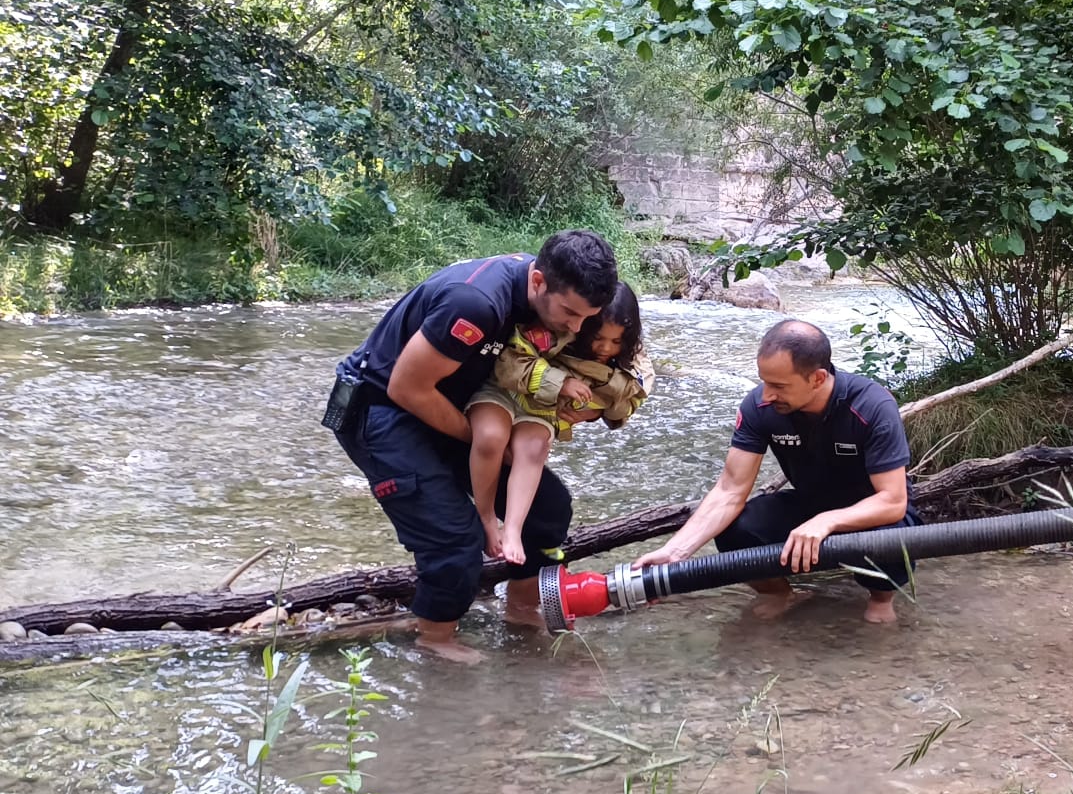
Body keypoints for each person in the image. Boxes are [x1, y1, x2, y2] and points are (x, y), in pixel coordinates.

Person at [323, 231, 620, 663]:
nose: (576, 327)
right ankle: (436, 641)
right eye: (570, 314)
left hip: (446, 404)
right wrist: (484, 443)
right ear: (537, 282)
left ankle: (520, 608)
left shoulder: (547, 290)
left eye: (585, 317)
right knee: (455, 541)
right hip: (380, 409)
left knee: (547, 507)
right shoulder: (476, 305)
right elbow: (407, 387)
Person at [633, 319, 917, 624]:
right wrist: (675, 552)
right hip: (809, 504)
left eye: (779, 386)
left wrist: (827, 522)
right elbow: (729, 491)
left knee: (890, 537)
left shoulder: (872, 406)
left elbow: (892, 501)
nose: (766, 395)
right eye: (764, 381)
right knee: (734, 527)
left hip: (872, 514)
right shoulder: (759, 407)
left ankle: (880, 598)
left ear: (818, 379)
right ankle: (779, 592)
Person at [469, 282, 652, 565]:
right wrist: (562, 382)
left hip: (541, 412)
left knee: (534, 448)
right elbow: (510, 361)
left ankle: (513, 529)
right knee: (491, 436)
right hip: (503, 392)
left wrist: (598, 412)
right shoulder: (555, 332)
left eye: (617, 342)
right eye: (599, 338)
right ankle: (487, 518)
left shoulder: (633, 362)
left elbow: (633, 397)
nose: (606, 348)